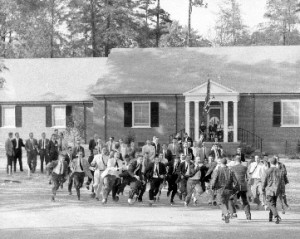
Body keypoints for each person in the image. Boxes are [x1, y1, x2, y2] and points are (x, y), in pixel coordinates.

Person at [211, 158, 239, 223]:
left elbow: (214, 180)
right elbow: (236, 182)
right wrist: (234, 190)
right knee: (225, 202)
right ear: (226, 163)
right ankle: (224, 217)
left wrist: (212, 187)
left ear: (220, 163)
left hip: (220, 189)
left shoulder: (218, 170)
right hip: (229, 189)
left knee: (221, 202)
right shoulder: (230, 171)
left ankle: (226, 213)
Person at [262, 157, 283, 224]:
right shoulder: (280, 171)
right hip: (277, 190)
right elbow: (282, 182)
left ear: (270, 163)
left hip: (269, 189)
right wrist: (282, 191)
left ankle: (276, 216)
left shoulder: (267, 171)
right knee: (273, 203)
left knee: (270, 203)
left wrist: (263, 188)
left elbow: (264, 180)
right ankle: (270, 218)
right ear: (276, 162)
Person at [231, 156, 251, 220]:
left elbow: (231, 178)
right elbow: (247, 177)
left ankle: (233, 213)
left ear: (235, 161)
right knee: (245, 201)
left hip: (235, 186)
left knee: (231, 200)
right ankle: (248, 215)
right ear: (241, 161)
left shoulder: (232, 168)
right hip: (243, 186)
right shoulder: (245, 168)